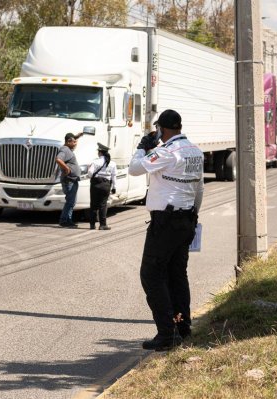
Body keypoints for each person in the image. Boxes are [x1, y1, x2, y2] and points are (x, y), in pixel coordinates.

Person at [129, 109, 204, 351]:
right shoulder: (194, 150)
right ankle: (183, 327)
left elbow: (134, 169)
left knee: (151, 274)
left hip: (167, 222)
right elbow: (199, 188)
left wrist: (143, 147)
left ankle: (166, 332)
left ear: (162, 129)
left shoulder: (166, 151)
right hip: (187, 218)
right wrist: (194, 216)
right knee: (177, 275)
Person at [56, 132, 83, 228]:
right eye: (74, 142)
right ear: (68, 142)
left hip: (72, 180)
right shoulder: (65, 150)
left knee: (72, 201)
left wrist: (77, 136)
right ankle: (64, 220)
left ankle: (68, 220)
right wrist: (66, 168)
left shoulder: (67, 148)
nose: (76, 144)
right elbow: (58, 159)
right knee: (70, 201)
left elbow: (71, 138)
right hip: (69, 180)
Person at [88, 143, 117, 230]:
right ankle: (102, 225)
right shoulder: (112, 163)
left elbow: (90, 173)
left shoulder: (95, 161)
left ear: (100, 152)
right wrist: (114, 187)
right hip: (106, 184)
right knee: (103, 205)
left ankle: (92, 225)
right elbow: (114, 176)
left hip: (95, 184)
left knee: (93, 204)